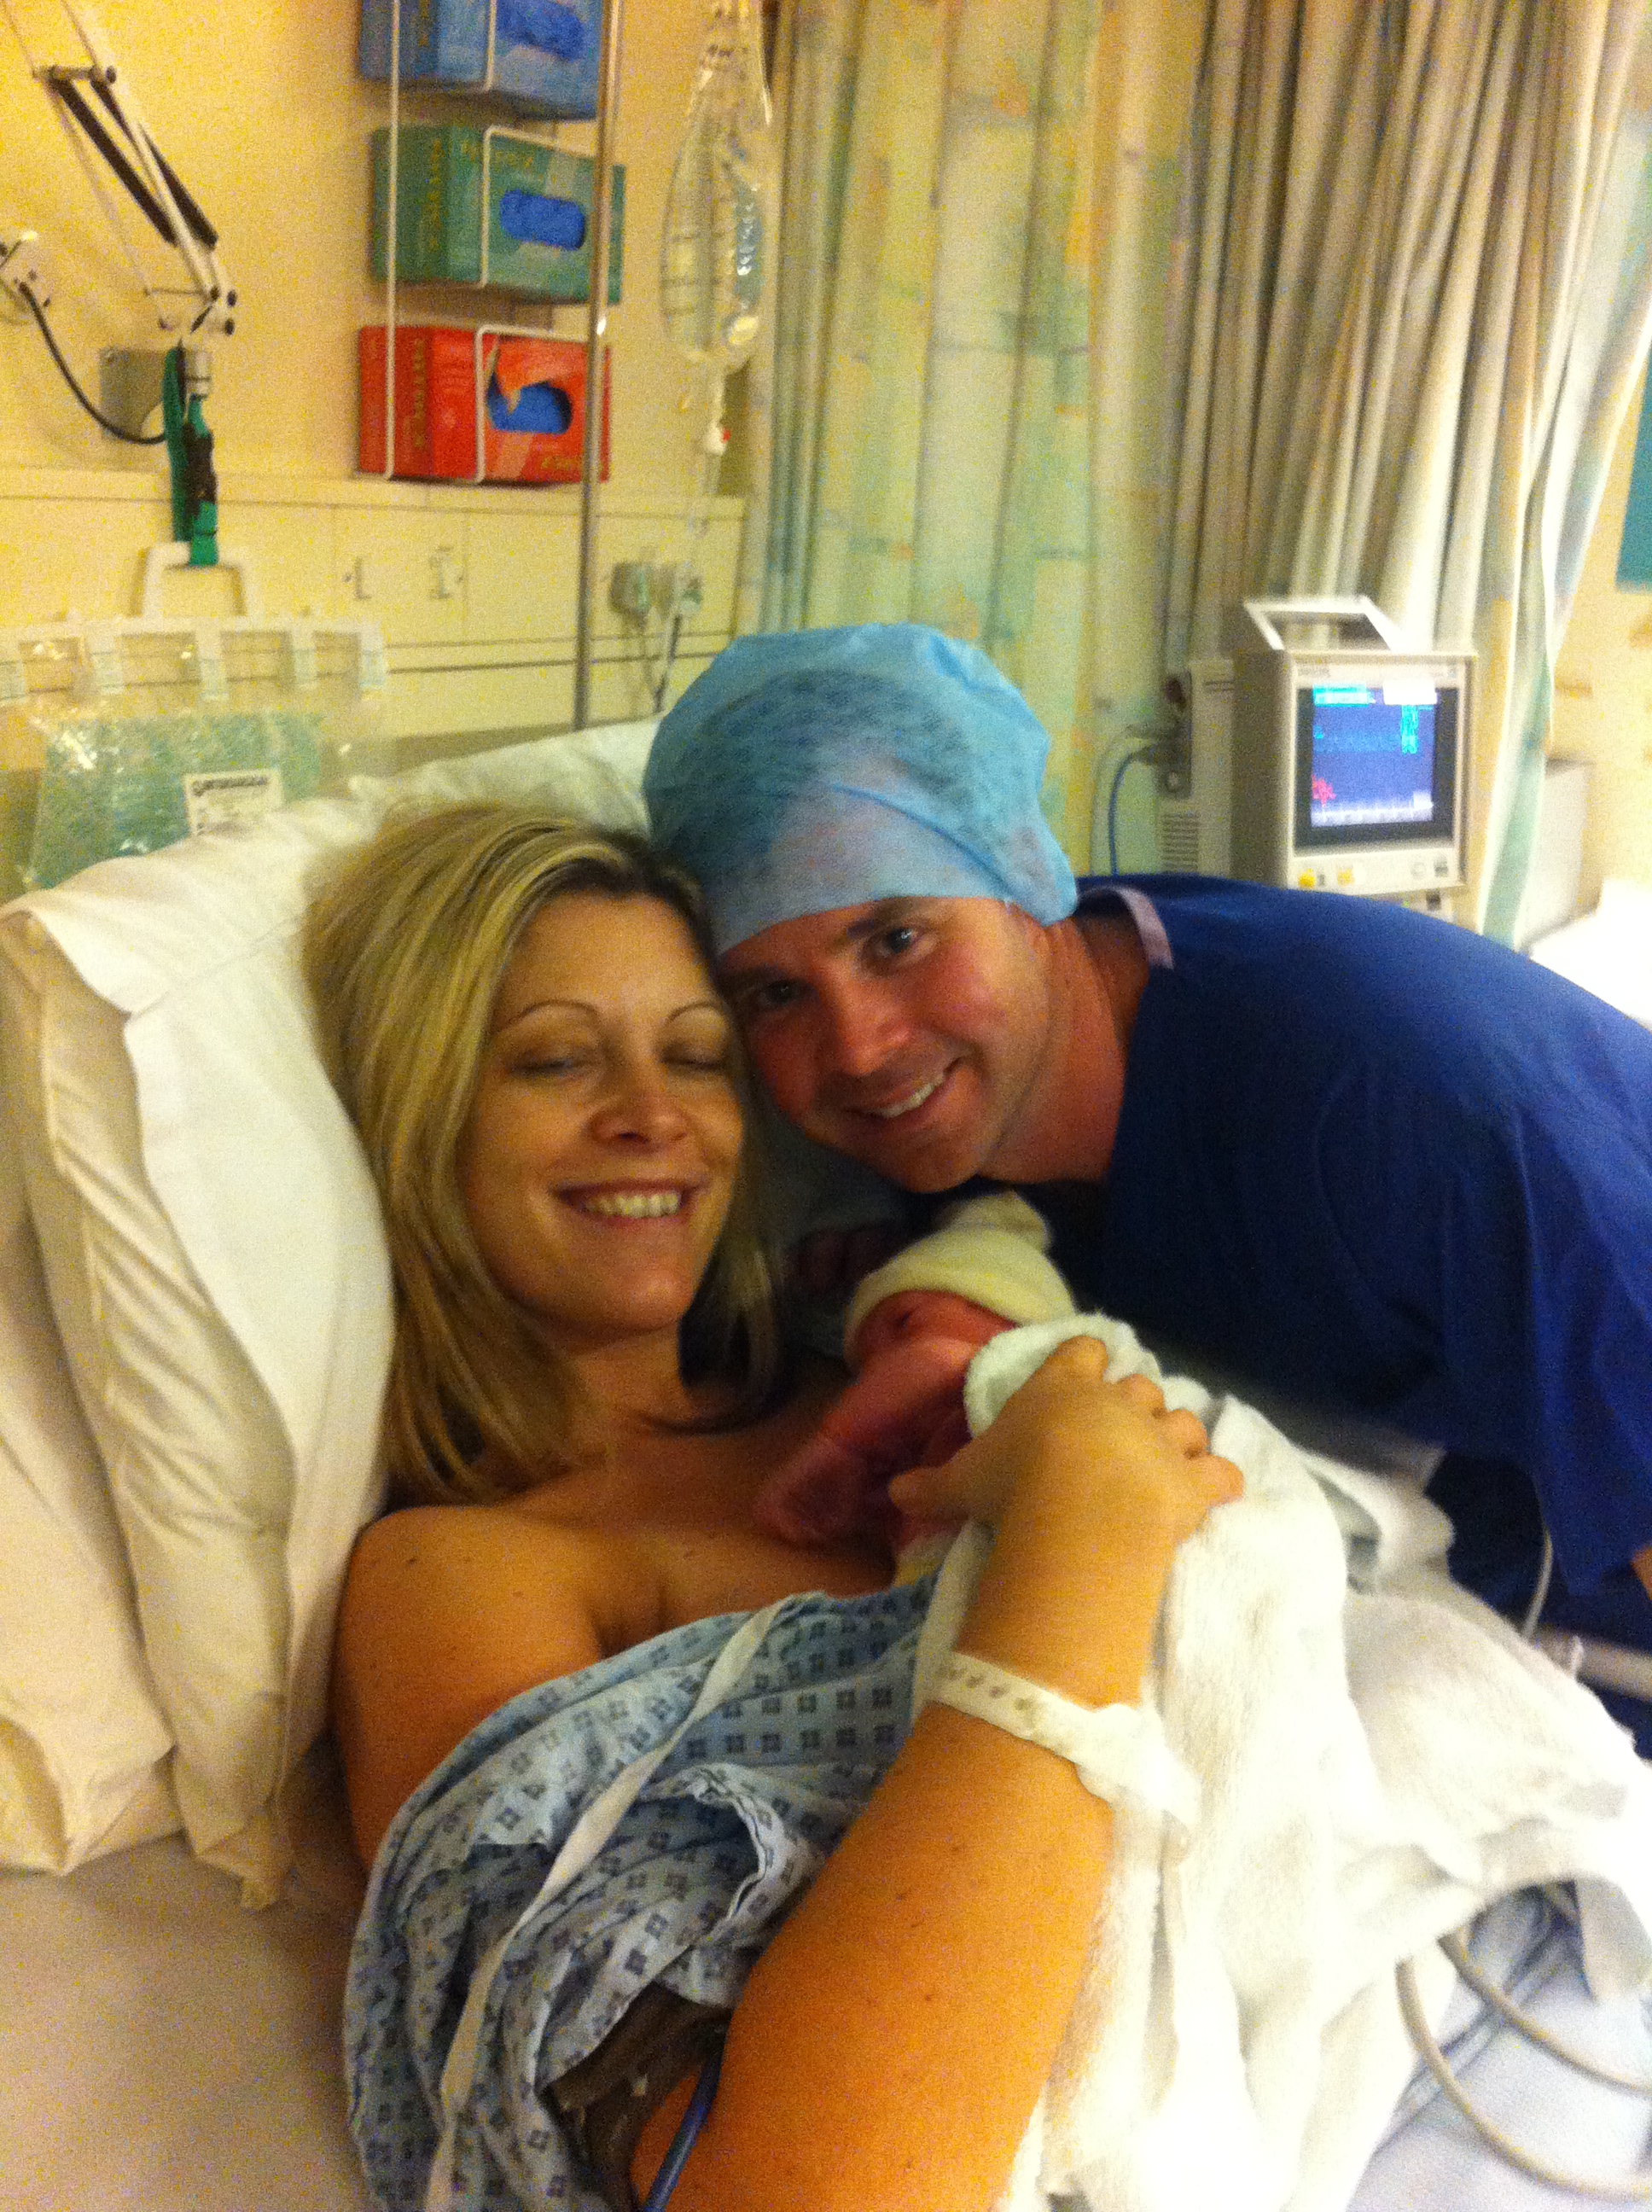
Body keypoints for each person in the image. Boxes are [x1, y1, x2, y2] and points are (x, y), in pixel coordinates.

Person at [304, 801, 1239, 2212]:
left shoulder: (874, 1369)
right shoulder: (461, 1574)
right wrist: (1084, 1529)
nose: (654, 1116)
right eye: (557, 1059)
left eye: (695, 1057)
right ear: (421, 1117)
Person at [641, 621, 1652, 1655]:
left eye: (897, 940)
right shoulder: (941, 1134)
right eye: (775, 994)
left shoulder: (1408, 1113)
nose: (859, 1048)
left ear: (1024, 876)